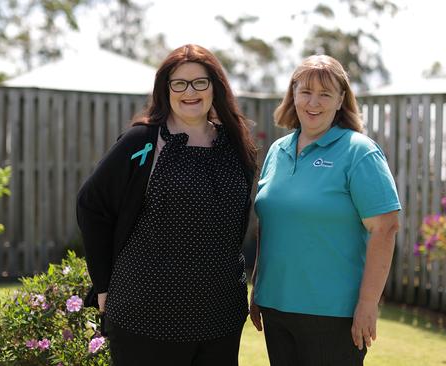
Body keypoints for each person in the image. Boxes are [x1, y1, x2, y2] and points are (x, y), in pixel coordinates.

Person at [76, 44, 257, 366]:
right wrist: (102, 285)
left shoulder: (235, 143)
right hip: (145, 314)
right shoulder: (142, 143)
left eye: (200, 82)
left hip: (221, 314)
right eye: (180, 83)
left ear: (215, 87)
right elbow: (92, 205)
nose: (190, 91)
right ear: (166, 89)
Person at [249, 55, 401, 366]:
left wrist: (368, 303)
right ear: (293, 94)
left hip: (333, 314)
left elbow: (385, 227)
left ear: (341, 99)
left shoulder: (359, 151)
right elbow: (269, 224)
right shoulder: (278, 151)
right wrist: (257, 286)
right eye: (305, 92)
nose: (313, 102)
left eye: (325, 94)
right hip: (276, 308)